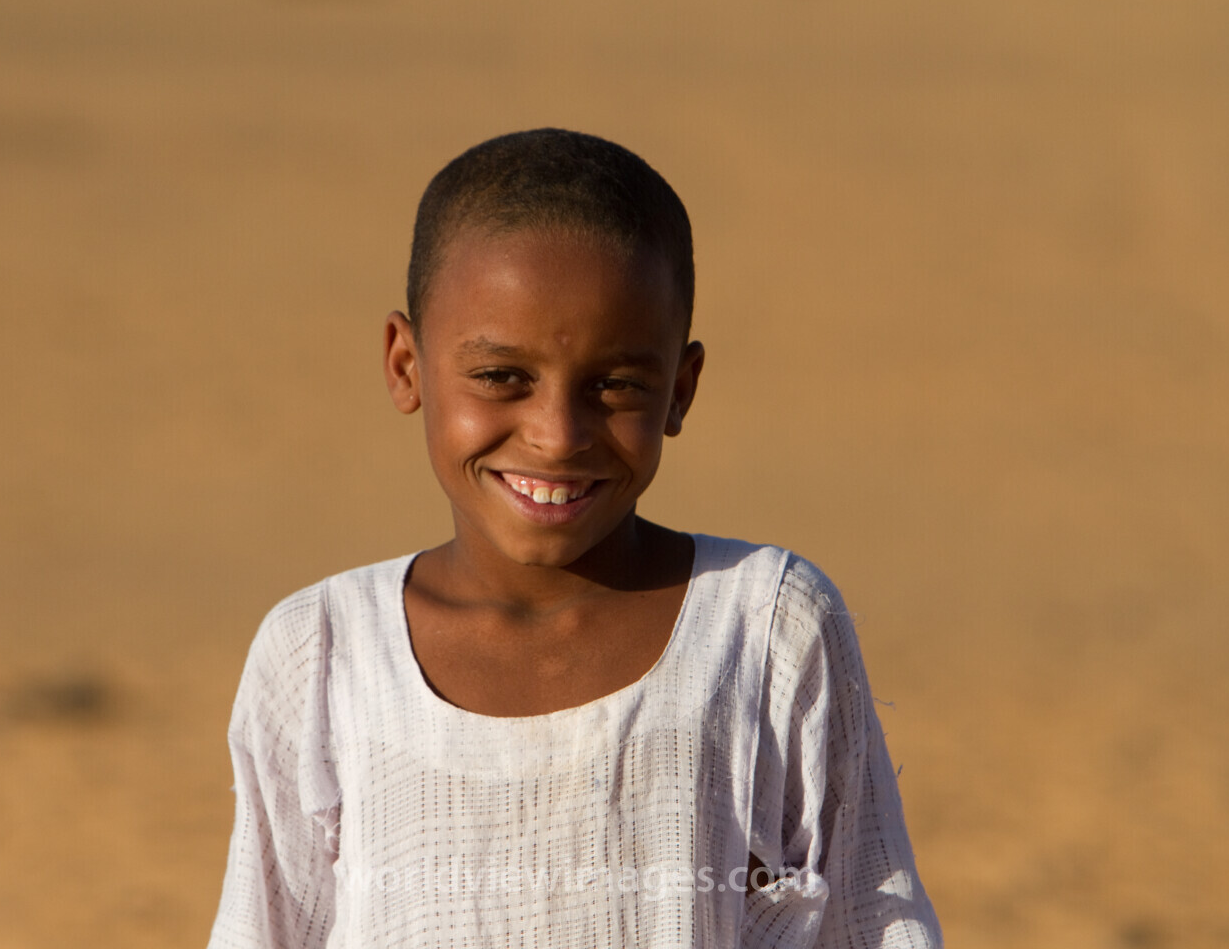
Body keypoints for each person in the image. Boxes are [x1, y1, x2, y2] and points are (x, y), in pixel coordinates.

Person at [206, 128, 942, 948]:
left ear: (681, 389)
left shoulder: (765, 626)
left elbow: (871, 920)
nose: (557, 436)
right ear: (406, 365)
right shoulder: (322, 652)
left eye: (616, 385)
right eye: (500, 378)